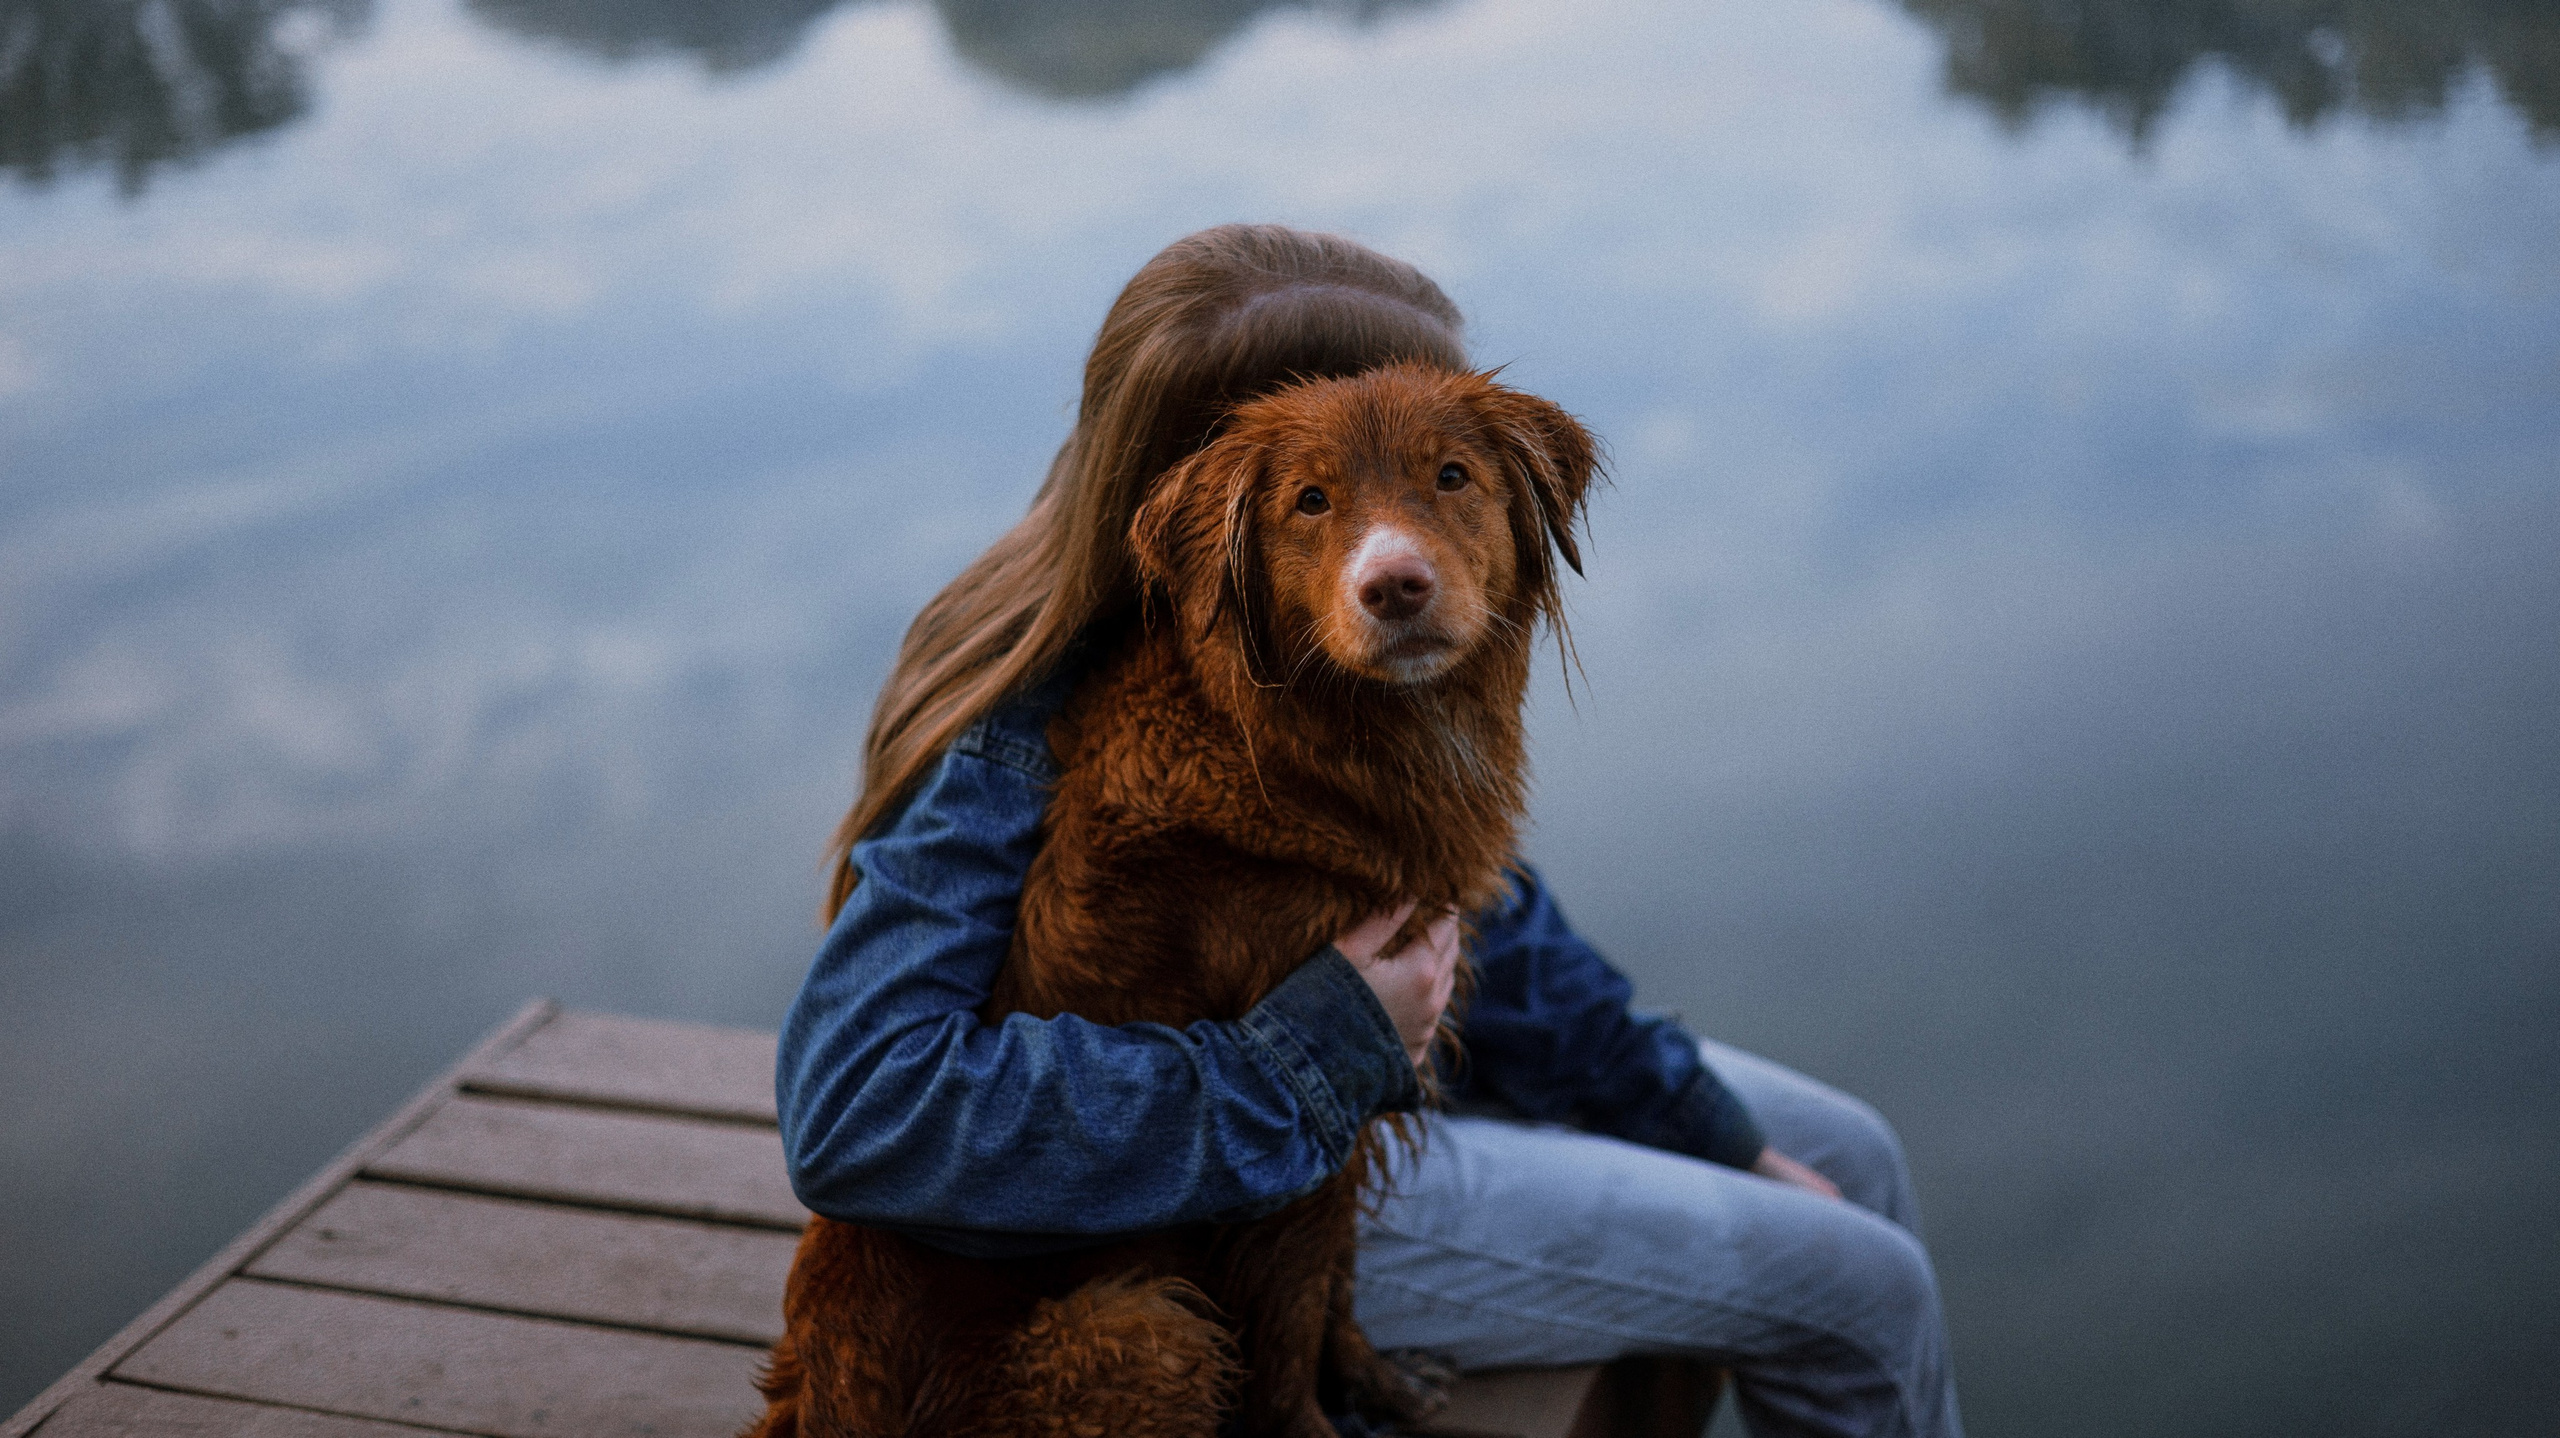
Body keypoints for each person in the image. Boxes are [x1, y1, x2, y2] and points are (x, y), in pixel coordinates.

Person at [776, 224, 1965, 1438]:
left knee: (1849, 1151)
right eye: (1326, 483)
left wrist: (1693, 1118)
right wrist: (1306, 1056)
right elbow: (856, 1110)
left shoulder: (1356, 686)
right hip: (1209, 1202)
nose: (1395, 542)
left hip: (1368, 1104)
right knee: (1860, 1289)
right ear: (1221, 488)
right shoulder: (1035, 725)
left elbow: (1483, 926)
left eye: (1447, 468)